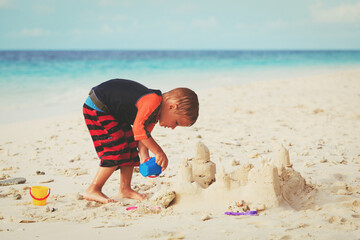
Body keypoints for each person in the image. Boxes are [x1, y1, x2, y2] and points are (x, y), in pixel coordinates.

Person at [82, 79, 199, 203]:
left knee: (131, 146)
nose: (173, 128)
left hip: (115, 112)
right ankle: (93, 188)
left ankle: (125, 189)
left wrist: (145, 157)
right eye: (176, 122)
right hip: (99, 107)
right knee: (116, 148)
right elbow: (139, 130)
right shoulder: (152, 101)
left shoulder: (154, 116)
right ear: (172, 107)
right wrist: (159, 152)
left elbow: (142, 137)